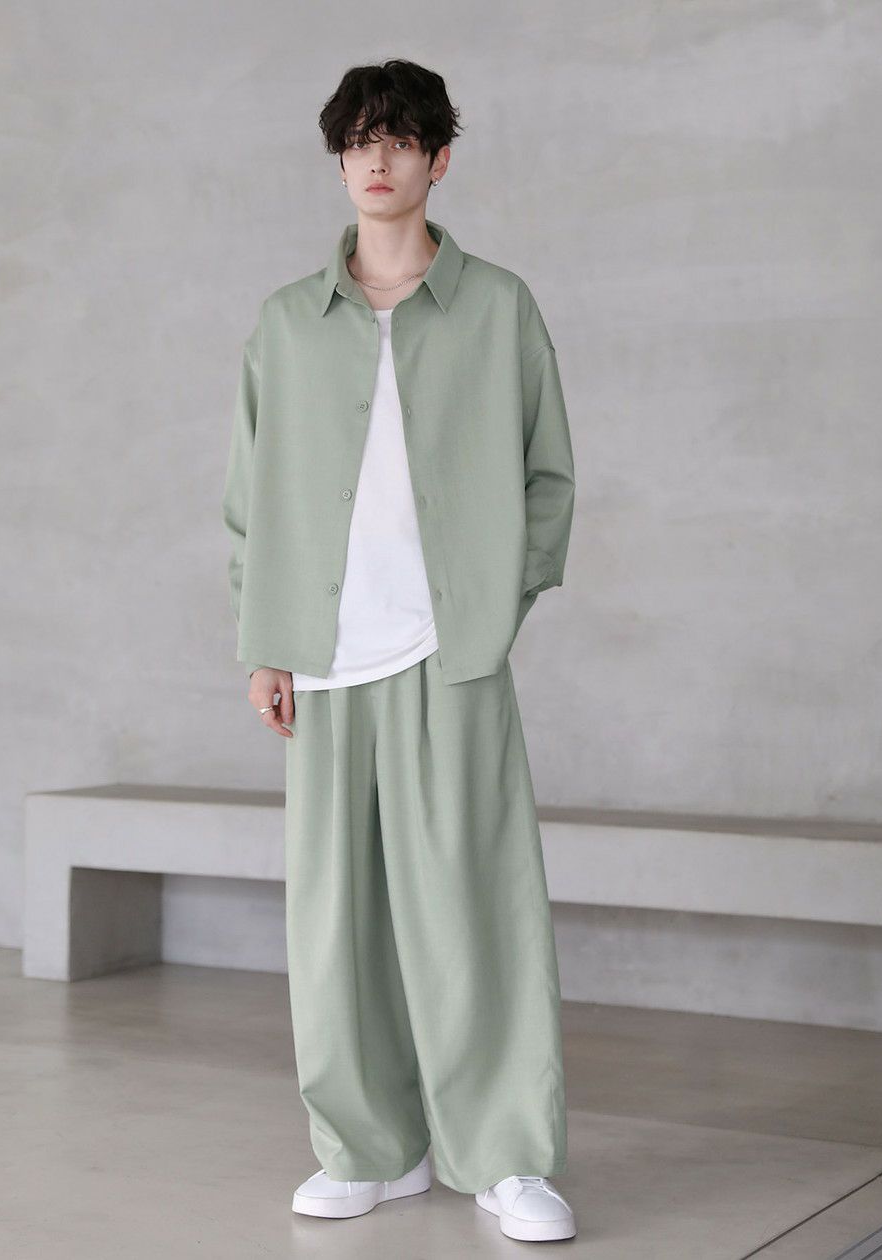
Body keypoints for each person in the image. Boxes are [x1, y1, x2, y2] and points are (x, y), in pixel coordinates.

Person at [221, 58, 577, 1244]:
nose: (378, 160)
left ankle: (508, 1156)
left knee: (475, 913)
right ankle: (369, 1148)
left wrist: (492, 607)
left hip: (448, 653)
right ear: (340, 162)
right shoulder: (285, 323)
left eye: (401, 139)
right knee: (337, 927)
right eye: (359, 141)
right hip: (322, 656)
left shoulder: (499, 308)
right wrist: (265, 644)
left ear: (439, 158)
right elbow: (250, 499)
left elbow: (547, 477)